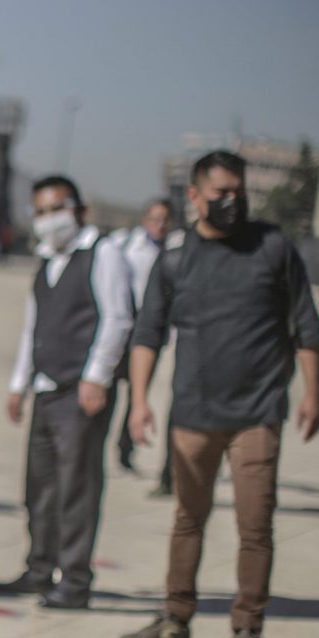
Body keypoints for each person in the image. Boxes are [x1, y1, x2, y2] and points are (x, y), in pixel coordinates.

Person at [121, 151, 319, 638]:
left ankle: (248, 632)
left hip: (257, 413)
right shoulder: (175, 259)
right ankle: (175, 619)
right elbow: (148, 334)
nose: (232, 201)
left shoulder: (274, 248)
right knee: (188, 519)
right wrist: (139, 402)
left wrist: (313, 394)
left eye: (239, 191)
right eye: (220, 193)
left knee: (255, 525)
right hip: (192, 415)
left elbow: (305, 324)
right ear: (194, 196)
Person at [0, 175, 132, 609]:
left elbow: (118, 319)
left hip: (79, 391)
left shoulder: (103, 254)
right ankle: (39, 567)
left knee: (76, 488)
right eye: (41, 212)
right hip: (47, 389)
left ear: (79, 209)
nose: (49, 220)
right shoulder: (47, 261)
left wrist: (96, 376)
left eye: (57, 209)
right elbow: (33, 328)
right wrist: (19, 384)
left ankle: (75, 578)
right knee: (39, 486)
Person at [109, 199, 175, 474]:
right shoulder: (124, 247)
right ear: (145, 220)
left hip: (151, 331)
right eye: (155, 218)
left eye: (165, 220)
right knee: (108, 389)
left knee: (138, 394)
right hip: (124, 327)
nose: (159, 225)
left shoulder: (174, 253)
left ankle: (126, 449)